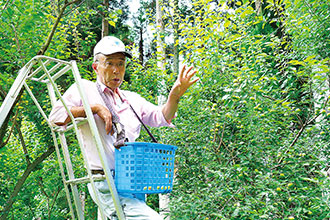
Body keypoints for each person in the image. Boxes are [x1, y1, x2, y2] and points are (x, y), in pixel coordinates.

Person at [49, 36, 198, 220]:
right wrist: (94, 109)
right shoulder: (84, 89)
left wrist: (174, 96)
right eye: (109, 63)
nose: (116, 70)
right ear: (96, 67)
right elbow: (55, 117)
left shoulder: (131, 99)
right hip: (105, 181)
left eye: (121, 64)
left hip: (132, 181)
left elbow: (162, 116)